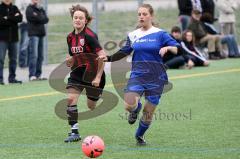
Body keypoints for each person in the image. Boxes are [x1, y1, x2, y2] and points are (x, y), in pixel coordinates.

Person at [101, 4, 179, 145]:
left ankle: (139, 136)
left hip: (156, 77)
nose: (141, 17)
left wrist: (167, 47)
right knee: (129, 105)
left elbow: (176, 48)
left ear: (151, 16)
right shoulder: (133, 35)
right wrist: (109, 58)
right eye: (139, 14)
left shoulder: (160, 33)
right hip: (137, 75)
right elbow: (124, 51)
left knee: (148, 112)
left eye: (144, 14)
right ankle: (135, 109)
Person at [64, 4, 107, 143]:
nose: (77, 20)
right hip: (77, 74)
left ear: (86, 20)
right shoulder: (70, 37)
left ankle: (95, 95)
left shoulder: (90, 36)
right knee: (71, 99)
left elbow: (102, 56)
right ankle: (74, 131)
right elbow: (73, 57)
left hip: (93, 74)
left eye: (80, 18)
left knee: (91, 106)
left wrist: (98, 77)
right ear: (72, 19)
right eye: (75, 17)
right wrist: (70, 61)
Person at [0, 0, 23, 85]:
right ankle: (0, 79)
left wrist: (7, 18)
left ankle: (12, 78)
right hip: (2, 39)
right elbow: (1, 22)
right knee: (1, 60)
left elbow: (20, 18)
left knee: (13, 59)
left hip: (14, 39)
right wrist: (13, 18)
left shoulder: (14, 8)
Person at [26, 0, 48, 81]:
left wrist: (38, 16)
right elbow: (32, 17)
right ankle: (32, 75)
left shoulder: (41, 8)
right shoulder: (29, 8)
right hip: (33, 35)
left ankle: (38, 74)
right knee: (34, 55)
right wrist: (40, 17)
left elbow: (46, 19)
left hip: (41, 34)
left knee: (40, 56)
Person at [15, 0, 31, 68]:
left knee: (30, 45)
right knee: (24, 44)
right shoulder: (19, 1)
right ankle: (22, 63)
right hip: (24, 23)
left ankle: (28, 63)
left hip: (32, 23)